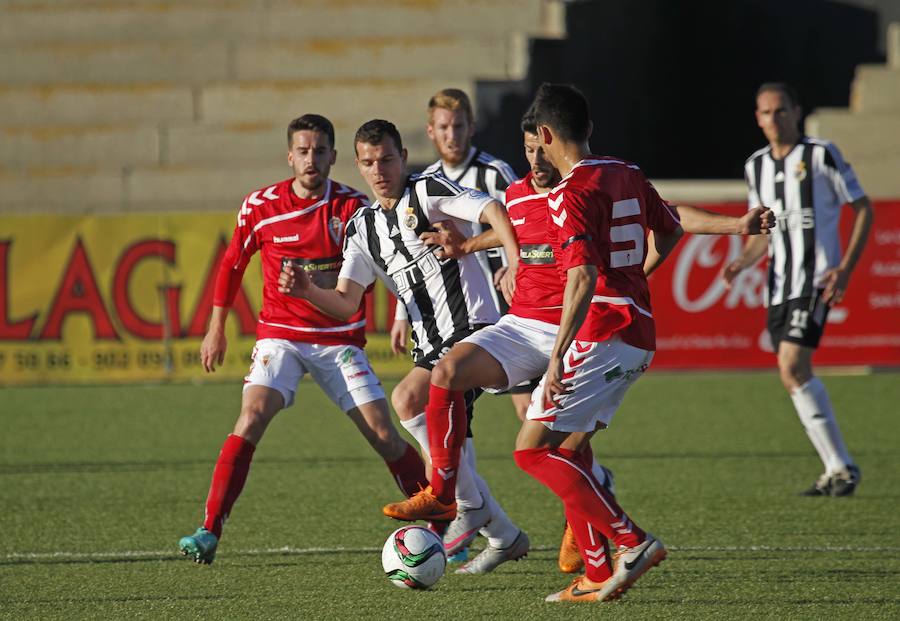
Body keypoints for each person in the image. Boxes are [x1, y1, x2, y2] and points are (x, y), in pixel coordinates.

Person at [397, 109, 774, 583]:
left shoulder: (581, 193)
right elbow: (514, 227)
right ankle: (446, 493)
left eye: (541, 147)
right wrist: (467, 247)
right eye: (528, 149)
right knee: (449, 372)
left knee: (550, 445)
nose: (536, 157)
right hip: (523, 325)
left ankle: (598, 541)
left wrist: (735, 227)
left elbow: (671, 217)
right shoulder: (518, 194)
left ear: (555, 143)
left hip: (578, 329)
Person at [277, 119, 530, 572]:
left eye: (387, 159)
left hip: (475, 326)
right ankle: (502, 532)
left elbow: (494, 208)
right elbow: (345, 300)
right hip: (430, 342)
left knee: (411, 399)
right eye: (369, 162)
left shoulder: (428, 190)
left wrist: (512, 263)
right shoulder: (362, 227)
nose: (379, 170)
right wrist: (305, 293)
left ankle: (468, 508)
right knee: (444, 437)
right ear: (357, 165)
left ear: (403, 159)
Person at [177, 114, 428, 565]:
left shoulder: (353, 209)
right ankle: (209, 528)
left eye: (319, 151)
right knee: (251, 416)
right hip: (281, 337)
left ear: (334, 156)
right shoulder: (260, 205)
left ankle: (441, 520)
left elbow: (393, 263)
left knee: (383, 434)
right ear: (289, 155)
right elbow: (232, 264)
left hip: (338, 340)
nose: (311, 159)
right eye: (303, 151)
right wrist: (216, 327)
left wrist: (402, 312)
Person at [722, 82, 873, 497]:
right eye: (766, 113)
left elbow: (863, 208)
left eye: (781, 111)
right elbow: (762, 235)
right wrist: (741, 261)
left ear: (796, 111)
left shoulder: (821, 154)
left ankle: (841, 466)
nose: (774, 119)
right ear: (758, 118)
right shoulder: (756, 166)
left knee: (792, 366)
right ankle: (836, 468)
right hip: (778, 287)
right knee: (792, 375)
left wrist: (844, 269)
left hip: (816, 278)